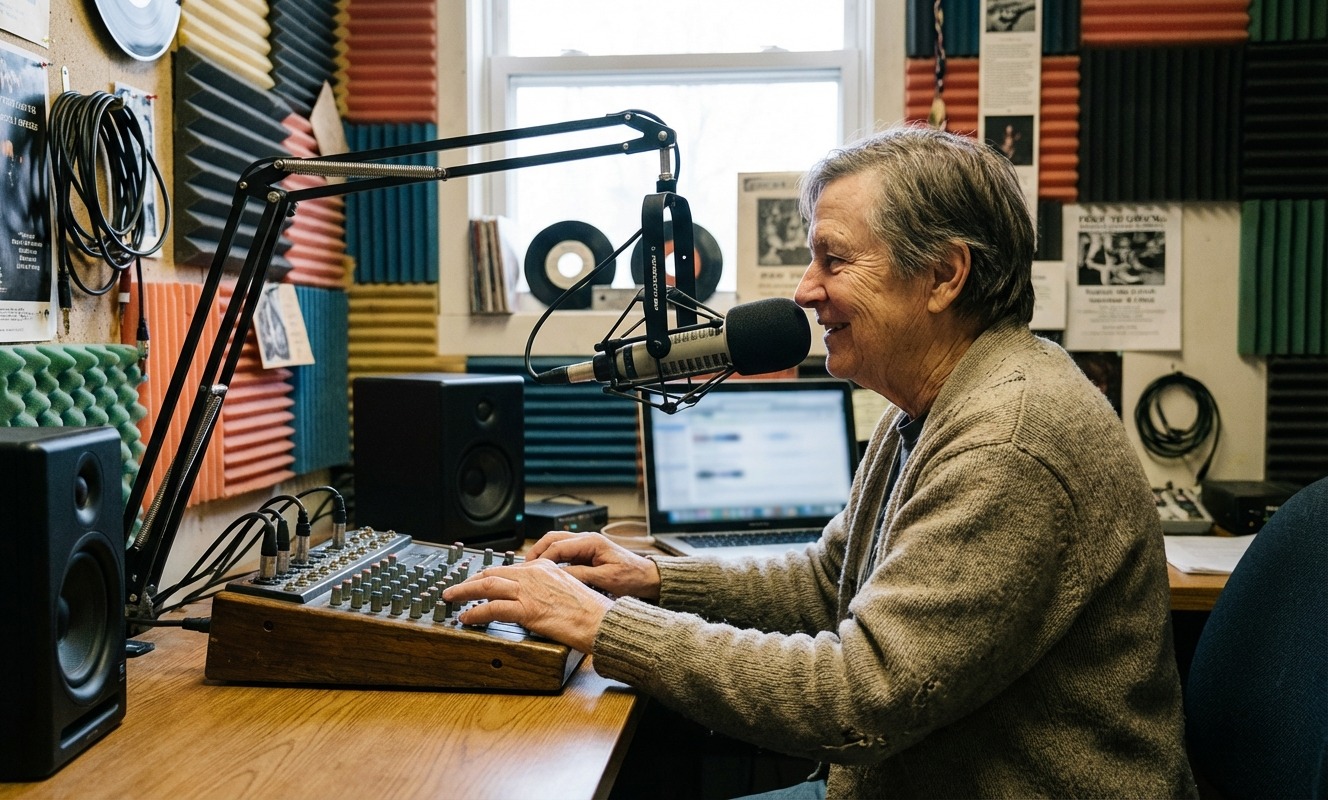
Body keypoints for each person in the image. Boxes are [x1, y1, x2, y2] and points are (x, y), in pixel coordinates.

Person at [443, 125, 1198, 799]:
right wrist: (653, 578)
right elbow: (827, 583)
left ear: (944, 275)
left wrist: (606, 626)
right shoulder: (932, 406)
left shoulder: (1009, 441)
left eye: (833, 260)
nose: (806, 291)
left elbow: (854, 698)